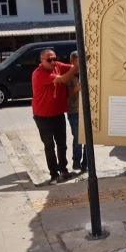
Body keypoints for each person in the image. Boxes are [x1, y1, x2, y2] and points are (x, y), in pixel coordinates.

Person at [32, 48, 78, 185]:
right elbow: (63, 79)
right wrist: (76, 66)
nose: (53, 61)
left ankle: (63, 170)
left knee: (62, 144)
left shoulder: (57, 65)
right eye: (49, 59)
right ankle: (54, 174)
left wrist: (80, 65)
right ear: (41, 61)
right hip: (43, 116)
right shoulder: (38, 74)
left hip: (58, 113)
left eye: (54, 58)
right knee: (49, 145)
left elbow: (73, 69)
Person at [66, 51, 86, 173]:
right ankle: (76, 162)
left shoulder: (87, 73)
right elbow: (68, 95)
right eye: (77, 61)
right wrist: (78, 87)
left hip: (87, 112)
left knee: (89, 140)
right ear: (72, 62)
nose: (80, 64)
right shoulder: (69, 76)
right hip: (74, 111)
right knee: (78, 138)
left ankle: (86, 164)